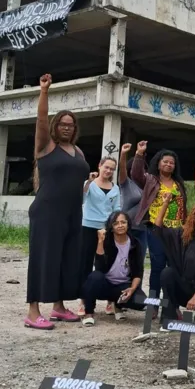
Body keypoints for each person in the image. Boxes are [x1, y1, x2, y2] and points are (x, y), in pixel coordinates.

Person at [25, 73, 89, 330]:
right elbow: (40, 120)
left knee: (65, 258)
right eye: (62, 123)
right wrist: (44, 92)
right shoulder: (45, 147)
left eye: (70, 124)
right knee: (44, 258)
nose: (66, 127)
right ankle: (32, 311)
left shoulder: (79, 152)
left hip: (72, 213)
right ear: (55, 126)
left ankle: (59, 307)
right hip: (48, 212)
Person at [131, 142, 187, 300]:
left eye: (172, 163)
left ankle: (171, 305)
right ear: (158, 163)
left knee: (174, 268)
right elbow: (136, 175)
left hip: (176, 231)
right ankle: (153, 304)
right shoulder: (150, 180)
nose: (169, 165)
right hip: (156, 230)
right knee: (157, 267)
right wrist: (139, 154)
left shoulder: (178, 183)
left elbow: (182, 207)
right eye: (166, 162)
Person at [80, 211, 146, 326]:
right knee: (95, 277)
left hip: (122, 287)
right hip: (105, 285)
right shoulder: (106, 241)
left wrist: (132, 288)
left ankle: (118, 305)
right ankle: (89, 313)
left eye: (123, 222)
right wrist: (100, 241)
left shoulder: (135, 243)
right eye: (116, 223)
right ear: (111, 227)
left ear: (128, 224)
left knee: (141, 301)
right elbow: (99, 267)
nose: (120, 225)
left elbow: (138, 272)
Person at [79, 157, 121, 315]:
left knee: (105, 265)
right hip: (88, 227)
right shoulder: (89, 184)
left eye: (112, 169)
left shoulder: (115, 188)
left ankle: (110, 301)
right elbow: (82, 199)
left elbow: (116, 209)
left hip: (106, 229)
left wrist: (113, 227)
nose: (109, 171)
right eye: (106, 167)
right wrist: (88, 183)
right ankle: (84, 301)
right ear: (99, 166)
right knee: (85, 265)